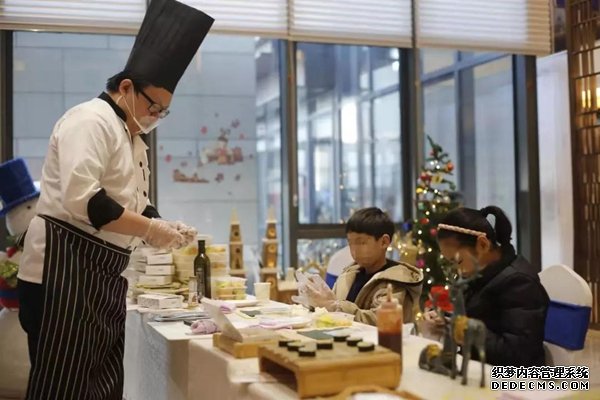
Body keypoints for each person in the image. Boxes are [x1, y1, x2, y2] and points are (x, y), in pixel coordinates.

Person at [16, 1, 214, 399]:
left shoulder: (132, 138)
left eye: (164, 112)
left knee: (101, 385)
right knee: (65, 388)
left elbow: (136, 205)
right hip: (63, 270)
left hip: (101, 273)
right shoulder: (90, 121)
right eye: (152, 106)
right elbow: (87, 202)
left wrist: (165, 226)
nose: (155, 116)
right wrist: (151, 229)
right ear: (126, 87)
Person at [422, 206, 549, 366]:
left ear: (482, 245)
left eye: (458, 261)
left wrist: (463, 330)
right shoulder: (482, 273)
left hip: (519, 381)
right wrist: (447, 321)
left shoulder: (519, 283)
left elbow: (517, 355)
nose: (456, 270)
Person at [294, 207, 423, 325]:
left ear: (384, 242)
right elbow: (330, 307)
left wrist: (335, 307)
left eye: (361, 243)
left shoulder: (396, 281)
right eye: (350, 243)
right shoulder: (348, 275)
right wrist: (315, 303)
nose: (354, 250)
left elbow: (380, 321)